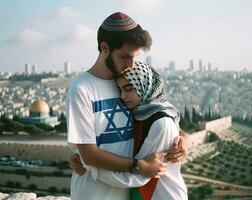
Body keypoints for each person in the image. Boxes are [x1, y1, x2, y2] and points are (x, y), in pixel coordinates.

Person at [66, 12, 191, 200]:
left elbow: (156, 115)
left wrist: (185, 139)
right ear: (105, 48)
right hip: (94, 192)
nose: (130, 64)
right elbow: (89, 156)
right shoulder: (82, 89)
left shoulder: (129, 82)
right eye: (125, 56)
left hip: (128, 191)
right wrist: (139, 165)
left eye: (135, 57)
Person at [71, 62, 188, 200]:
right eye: (120, 90)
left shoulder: (160, 122)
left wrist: (89, 164)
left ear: (145, 85)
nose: (123, 96)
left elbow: (140, 175)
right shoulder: (141, 113)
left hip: (163, 194)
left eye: (128, 89)